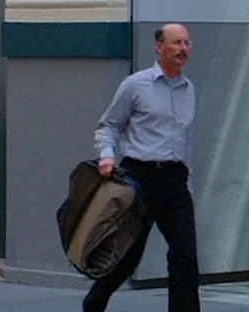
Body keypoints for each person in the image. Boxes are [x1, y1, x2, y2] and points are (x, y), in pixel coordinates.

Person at [84, 24, 198, 312]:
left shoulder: (188, 89)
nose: (183, 49)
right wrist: (107, 156)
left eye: (186, 43)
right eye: (176, 43)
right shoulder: (135, 85)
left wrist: (189, 185)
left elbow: (184, 142)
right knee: (128, 257)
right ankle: (95, 300)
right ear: (159, 48)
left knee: (185, 256)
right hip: (140, 179)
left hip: (174, 181)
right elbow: (109, 126)